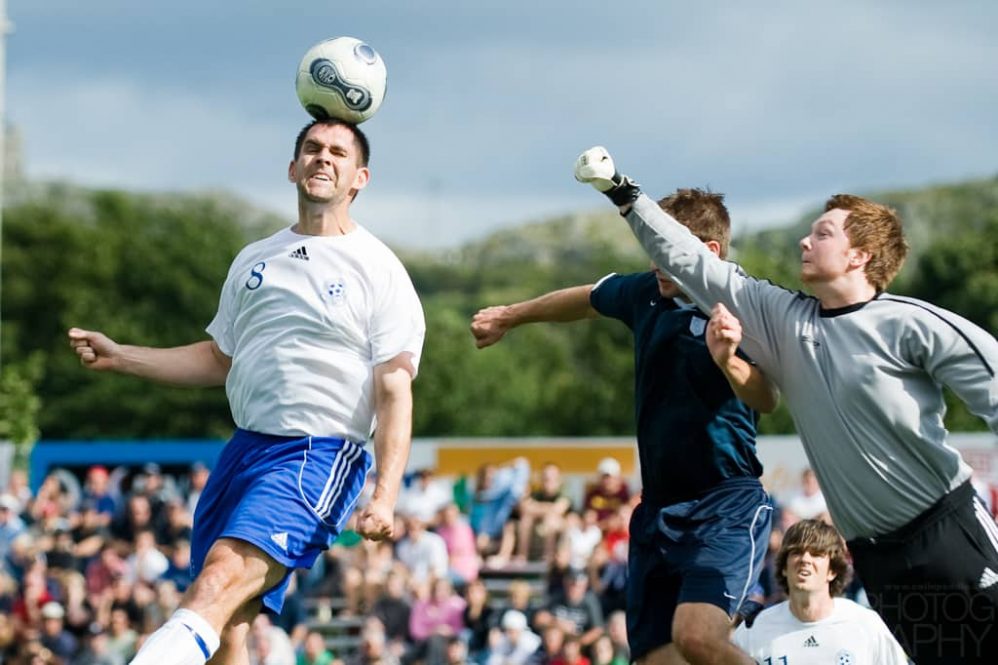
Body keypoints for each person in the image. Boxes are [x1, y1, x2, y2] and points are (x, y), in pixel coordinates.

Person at [574, 145, 998, 664]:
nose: (805, 238)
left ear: (859, 255)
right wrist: (623, 191)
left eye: (823, 233)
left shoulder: (910, 322)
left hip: (947, 531)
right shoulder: (783, 319)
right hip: (875, 555)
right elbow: (688, 259)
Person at [68, 118, 426, 665]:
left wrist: (384, 495)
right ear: (292, 167)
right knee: (227, 628)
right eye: (311, 149)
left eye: (337, 152)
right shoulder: (255, 259)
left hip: (316, 453)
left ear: (360, 177)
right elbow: (219, 359)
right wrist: (123, 357)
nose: (322, 158)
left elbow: (394, 390)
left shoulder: (379, 269)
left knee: (218, 580)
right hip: (243, 450)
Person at [471, 187, 777, 664]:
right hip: (657, 511)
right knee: (656, 659)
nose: (655, 261)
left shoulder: (744, 305)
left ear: (708, 253)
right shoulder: (645, 294)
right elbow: (589, 298)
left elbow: (768, 397)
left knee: (696, 636)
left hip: (725, 504)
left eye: (665, 249)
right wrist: (511, 316)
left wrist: (729, 361)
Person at [732, 519, 908, 663]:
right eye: (796, 553)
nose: (805, 559)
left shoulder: (866, 625)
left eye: (816, 554)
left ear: (832, 571)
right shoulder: (753, 630)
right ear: (784, 567)